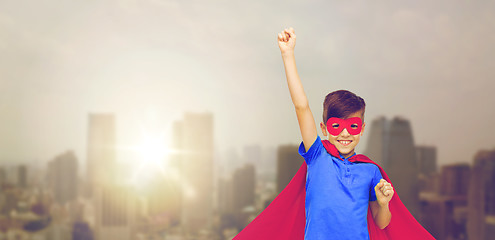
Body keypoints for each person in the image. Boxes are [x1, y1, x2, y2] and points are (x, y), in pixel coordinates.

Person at [233, 28, 435, 240]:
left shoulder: (371, 171)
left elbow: (381, 221)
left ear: (362, 129)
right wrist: (288, 54)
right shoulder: (317, 156)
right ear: (324, 128)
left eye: (353, 126)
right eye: (337, 125)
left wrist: (384, 204)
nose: (345, 133)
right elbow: (301, 106)